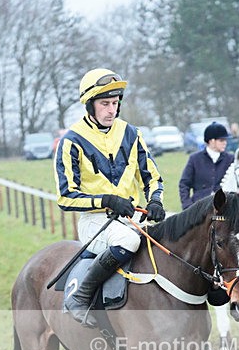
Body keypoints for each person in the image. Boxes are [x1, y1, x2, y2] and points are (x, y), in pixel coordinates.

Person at [55, 67, 166, 325]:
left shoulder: (131, 134)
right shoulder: (71, 141)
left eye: (115, 103)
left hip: (132, 217)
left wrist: (156, 200)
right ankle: (80, 297)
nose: (111, 110)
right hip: (95, 222)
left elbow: (152, 177)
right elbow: (66, 197)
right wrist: (105, 200)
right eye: (104, 104)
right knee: (128, 241)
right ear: (89, 106)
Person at [179, 122, 234, 210]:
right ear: (211, 141)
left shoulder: (231, 159)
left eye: (225, 140)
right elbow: (184, 183)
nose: (225, 143)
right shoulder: (194, 159)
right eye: (221, 140)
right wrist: (187, 205)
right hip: (199, 207)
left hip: (225, 207)